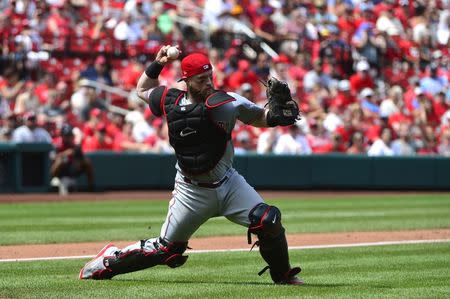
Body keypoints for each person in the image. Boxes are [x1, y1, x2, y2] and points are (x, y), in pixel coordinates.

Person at [79, 46, 303, 285]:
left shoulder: (228, 102)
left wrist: (277, 116)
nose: (208, 82)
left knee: (267, 220)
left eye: (210, 77)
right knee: (166, 250)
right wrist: (158, 63)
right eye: (201, 79)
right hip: (191, 191)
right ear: (186, 80)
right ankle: (107, 261)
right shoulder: (169, 100)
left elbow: (260, 117)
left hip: (229, 183)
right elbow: (142, 89)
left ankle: (283, 275)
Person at [50, 124, 94, 195]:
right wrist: (64, 154)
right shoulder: (57, 145)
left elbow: (82, 159)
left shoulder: (75, 146)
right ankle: (55, 180)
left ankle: (91, 187)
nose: (68, 137)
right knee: (61, 161)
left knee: (87, 161)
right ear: (62, 136)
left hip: (72, 171)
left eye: (70, 135)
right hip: (60, 173)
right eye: (66, 135)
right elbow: (52, 157)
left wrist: (75, 159)